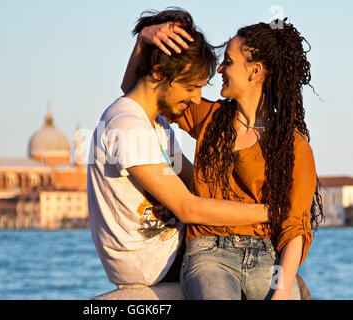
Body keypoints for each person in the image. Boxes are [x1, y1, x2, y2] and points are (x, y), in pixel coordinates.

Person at [122, 16, 324, 299]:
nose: (219, 69)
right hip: (208, 255)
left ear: (255, 71)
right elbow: (137, 93)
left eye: (228, 61)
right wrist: (144, 39)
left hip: (267, 258)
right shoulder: (209, 117)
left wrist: (281, 293)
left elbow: (295, 229)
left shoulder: (293, 144)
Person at [87, 9, 272, 289]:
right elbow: (187, 208)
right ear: (159, 73)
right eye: (191, 87)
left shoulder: (154, 122)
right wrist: (271, 211)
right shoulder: (126, 126)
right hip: (150, 262)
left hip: (170, 248)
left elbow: (194, 180)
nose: (198, 98)